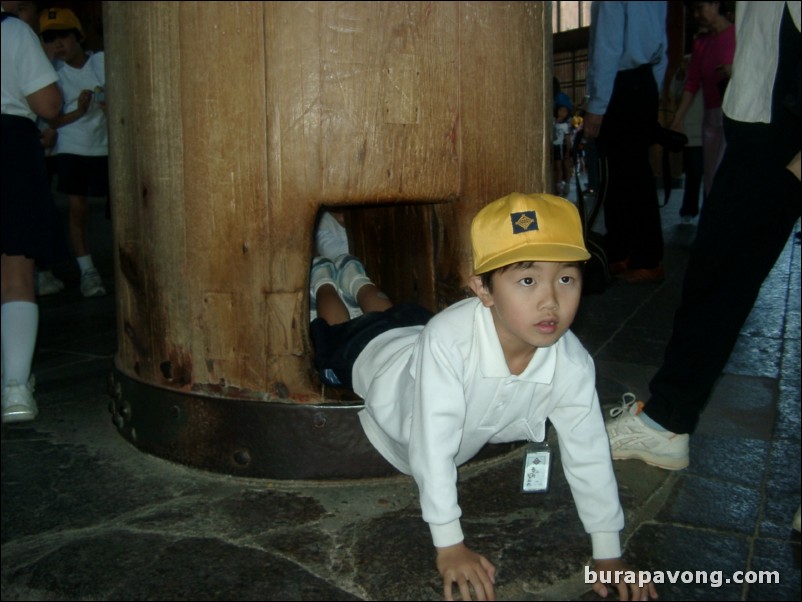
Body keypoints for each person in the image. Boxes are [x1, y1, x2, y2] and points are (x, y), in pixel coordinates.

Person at [313, 193, 658, 601]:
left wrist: (607, 552)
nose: (550, 301)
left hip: (419, 333)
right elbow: (431, 443)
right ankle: (322, 273)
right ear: (483, 288)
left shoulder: (573, 364)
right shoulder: (447, 340)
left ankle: (355, 273)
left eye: (566, 278)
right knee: (340, 319)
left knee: (385, 306)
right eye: (527, 280)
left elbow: (589, 451)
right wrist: (450, 545)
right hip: (378, 358)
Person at [605, 1, 800, 475]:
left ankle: (666, 422)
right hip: (762, 120)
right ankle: (666, 418)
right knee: (714, 275)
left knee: (718, 278)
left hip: (778, 128)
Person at [2, 2, 63, 422]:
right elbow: (48, 104)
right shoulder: (13, 31)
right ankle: (15, 389)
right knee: (16, 267)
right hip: (7, 145)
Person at [583, 1, 668, 284]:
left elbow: (606, 47)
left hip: (621, 84)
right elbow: (662, 50)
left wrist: (596, 105)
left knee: (626, 175)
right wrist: (649, 92)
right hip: (642, 81)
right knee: (626, 175)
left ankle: (645, 257)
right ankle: (622, 250)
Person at [40, 7, 108, 298]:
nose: (58, 44)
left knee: (118, 209)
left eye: (63, 36)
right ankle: (87, 271)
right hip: (73, 147)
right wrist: (78, 112)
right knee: (77, 209)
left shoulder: (102, 62)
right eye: (50, 39)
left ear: (78, 36)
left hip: (105, 145)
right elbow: (52, 121)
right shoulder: (52, 74)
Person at [669, 1, 735, 201]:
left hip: (735, 115)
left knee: (729, 176)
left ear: (716, 4)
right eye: (694, 10)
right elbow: (691, 84)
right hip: (711, 117)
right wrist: (678, 119)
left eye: (700, 8)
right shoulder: (701, 44)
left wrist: (734, 72)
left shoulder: (738, 35)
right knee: (711, 179)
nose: (697, 15)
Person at [669, 54, 705, 223]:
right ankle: (688, 210)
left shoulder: (713, 65)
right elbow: (674, 92)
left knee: (711, 175)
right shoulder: (686, 72)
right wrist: (682, 73)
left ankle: (709, 212)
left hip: (711, 128)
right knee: (694, 174)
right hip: (692, 133)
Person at [552, 101, 573, 196]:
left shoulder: (565, 125)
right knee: (556, 167)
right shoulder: (552, 121)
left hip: (560, 147)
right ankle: (557, 185)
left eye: (565, 111)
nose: (562, 113)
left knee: (561, 167)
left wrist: (568, 151)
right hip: (553, 146)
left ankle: (561, 187)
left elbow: (568, 139)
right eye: (560, 110)